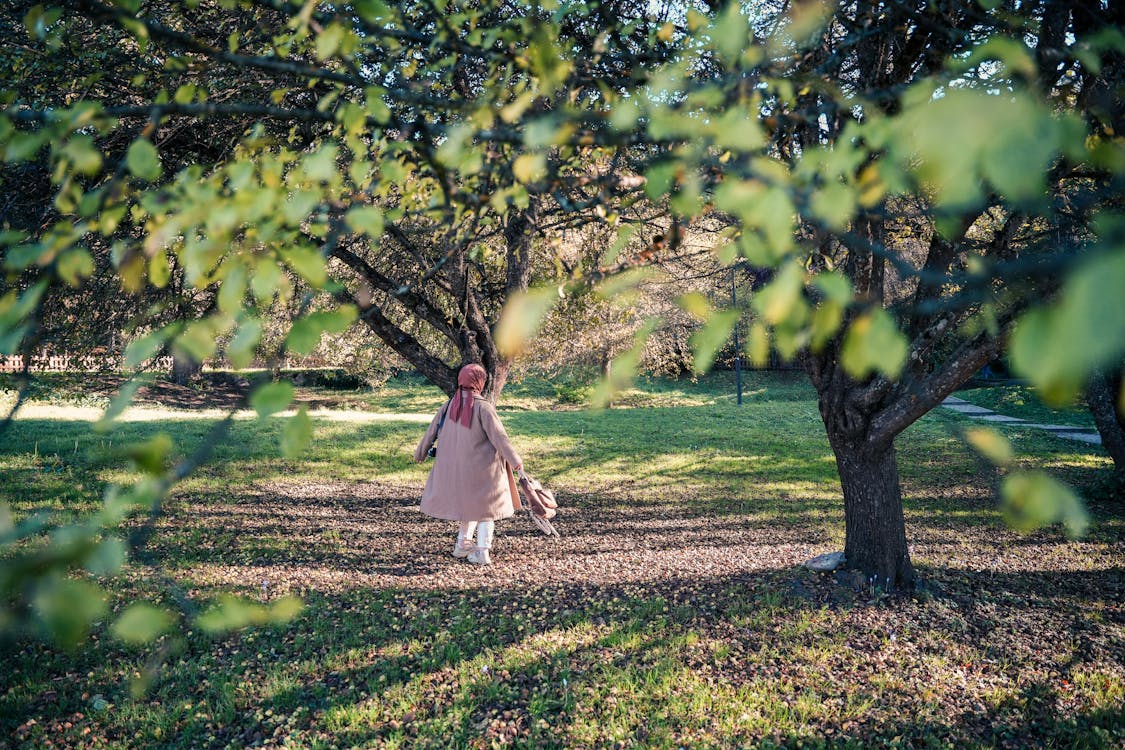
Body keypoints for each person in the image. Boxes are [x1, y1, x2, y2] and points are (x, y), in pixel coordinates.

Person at [414, 363, 522, 565]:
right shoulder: (483, 407)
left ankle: (462, 544)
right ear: (480, 382)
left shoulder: (448, 406)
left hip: (457, 470)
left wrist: (419, 453)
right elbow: (500, 438)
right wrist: (517, 462)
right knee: (485, 509)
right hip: (483, 470)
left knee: (469, 506)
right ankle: (482, 551)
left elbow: (431, 432)